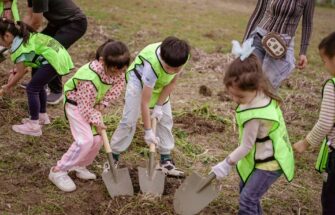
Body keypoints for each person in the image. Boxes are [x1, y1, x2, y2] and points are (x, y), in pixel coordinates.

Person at [211, 39, 294, 214]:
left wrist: (226, 164)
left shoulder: (255, 115)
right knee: (246, 190)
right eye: (231, 95)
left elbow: (246, 146)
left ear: (255, 87)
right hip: (261, 157)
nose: (235, 100)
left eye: (239, 97)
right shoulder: (261, 92)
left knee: (247, 199)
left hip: (270, 163)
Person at [48, 40, 130, 192]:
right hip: (76, 105)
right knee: (85, 140)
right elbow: (85, 108)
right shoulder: (89, 79)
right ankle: (58, 171)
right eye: (113, 71)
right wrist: (97, 121)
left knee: (98, 140)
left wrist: (104, 103)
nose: (118, 74)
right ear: (102, 61)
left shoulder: (118, 69)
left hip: (92, 105)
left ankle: (80, 165)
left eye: (122, 70)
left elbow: (118, 87)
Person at [110, 36, 190, 177]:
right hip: (139, 82)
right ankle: (113, 157)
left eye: (175, 69)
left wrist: (159, 106)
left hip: (160, 84)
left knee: (165, 119)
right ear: (162, 60)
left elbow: (171, 83)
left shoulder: (181, 57)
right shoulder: (152, 65)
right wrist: (147, 131)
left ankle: (166, 161)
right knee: (129, 120)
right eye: (168, 67)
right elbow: (144, 102)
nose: (171, 71)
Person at [0, 18, 73, 136]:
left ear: (7, 36)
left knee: (31, 88)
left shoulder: (18, 50)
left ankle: (33, 126)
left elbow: (20, 73)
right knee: (39, 85)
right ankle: (41, 116)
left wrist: (8, 86)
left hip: (52, 59)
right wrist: (17, 71)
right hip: (57, 55)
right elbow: (24, 67)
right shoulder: (24, 37)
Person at [293, 32, 335, 215]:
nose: (324, 65)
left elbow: (325, 122)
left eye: (324, 60)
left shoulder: (332, 86)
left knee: (330, 202)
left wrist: (305, 142)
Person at [23, 0, 87, 105]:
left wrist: (22, 39)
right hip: (57, 23)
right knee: (37, 47)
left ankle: (56, 91)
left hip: (74, 23)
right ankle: (37, 82)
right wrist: (17, 31)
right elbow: (29, 15)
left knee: (52, 52)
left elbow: (36, 22)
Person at [243, 0, 315, 88]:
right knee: (248, 78)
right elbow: (258, 13)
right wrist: (245, 41)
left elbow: (307, 23)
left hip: (280, 47)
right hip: (259, 38)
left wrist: (303, 52)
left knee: (268, 86)